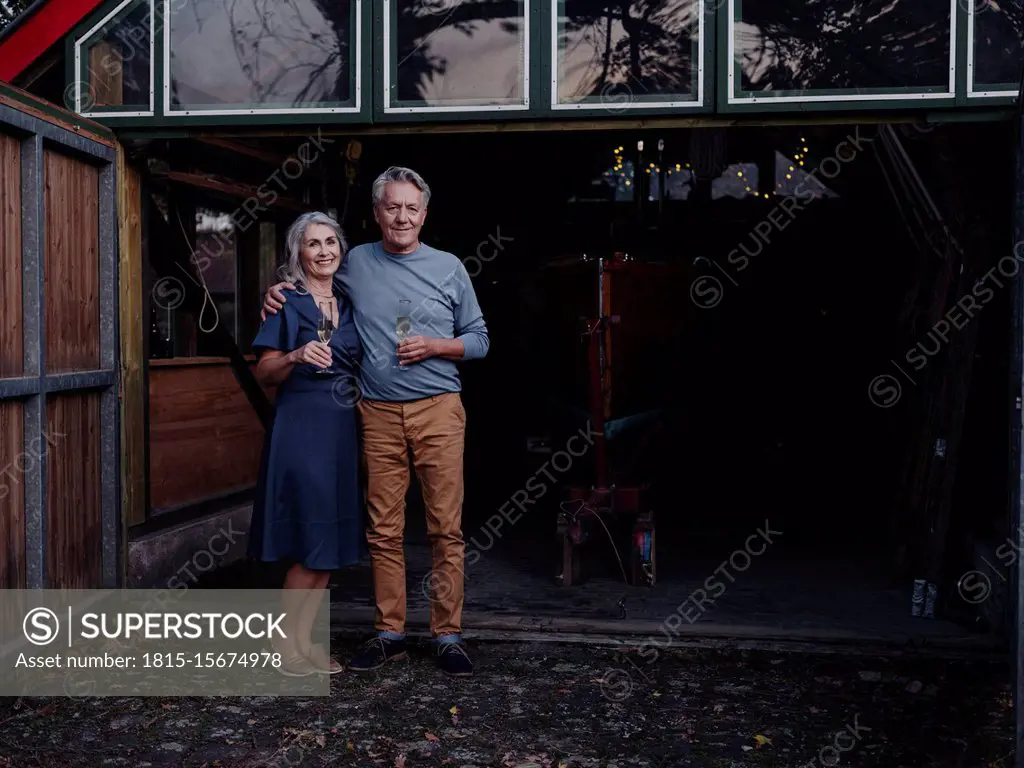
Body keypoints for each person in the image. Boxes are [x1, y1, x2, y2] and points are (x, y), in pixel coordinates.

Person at [262, 166, 489, 677]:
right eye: (392, 207)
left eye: (412, 208)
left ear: (424, 214)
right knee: (383, 530)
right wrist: (274, 293)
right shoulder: (356, 261)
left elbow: (479, 338)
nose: (402, 216)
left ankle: (447, 635)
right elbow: (309, 277)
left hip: (438, 408)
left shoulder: (450, 267)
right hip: (377, 411)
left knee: (444, 528)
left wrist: (436, 345)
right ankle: (390, 633)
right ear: (377, 213)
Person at [250, 211, 363, 677]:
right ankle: (283, 646)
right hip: (301, 429)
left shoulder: (350, 302)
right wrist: (295, 355)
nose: (324, 251)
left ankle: (306, 643)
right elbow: (264, 372)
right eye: (313, 243)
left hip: (341, 432)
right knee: (309, 539)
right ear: (298, 252)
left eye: (331, 241)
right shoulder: (287, 305)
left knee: (330, 538)